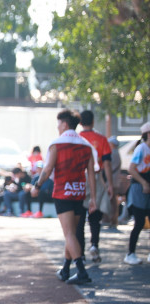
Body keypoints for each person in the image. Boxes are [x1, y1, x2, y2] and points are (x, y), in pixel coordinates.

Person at [32, 109, 97, 285]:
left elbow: (47, 169)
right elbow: (91, 174)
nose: (58, 127)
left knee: (69, 234)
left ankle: (81, 271)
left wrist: (37, 186)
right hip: (79, 192)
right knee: (72, 234)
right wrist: (93, 198)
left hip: (62, 192)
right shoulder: (86, 145)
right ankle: (66, 269)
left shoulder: (57, 144)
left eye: (59, 124)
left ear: (65, 124)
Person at [77, 110, 114, 263]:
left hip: (80, 179)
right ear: (93, 121)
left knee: (79, 218)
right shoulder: (101, 139)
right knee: (95, 216)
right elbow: (107, 164)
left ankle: (80, 252)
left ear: (80, 123)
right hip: (97, 178)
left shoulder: (76, 139)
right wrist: (110, 184)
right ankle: (94, 245)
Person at [122, 122, 150, 265]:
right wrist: (144, 183)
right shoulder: (141, 148)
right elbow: (131, 169)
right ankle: (130, 253)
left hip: (147, 189)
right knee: (139, 222)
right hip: (139, 190)